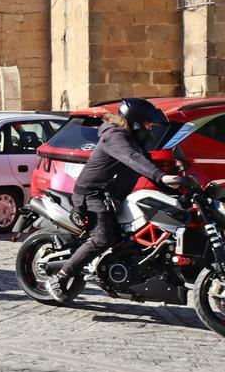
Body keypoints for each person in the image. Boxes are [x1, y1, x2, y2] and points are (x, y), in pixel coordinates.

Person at [45, 98, 188, 301]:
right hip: (91, 195)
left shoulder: (131, 139)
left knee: (132, 234)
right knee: (103, 238)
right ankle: (59, 278)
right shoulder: (116, 137)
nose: (150, 130)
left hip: (111, 196)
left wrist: (180, 188)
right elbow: (133, 159)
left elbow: (146, 166)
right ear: (136, 122)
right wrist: (160, 176)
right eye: (148, 124)